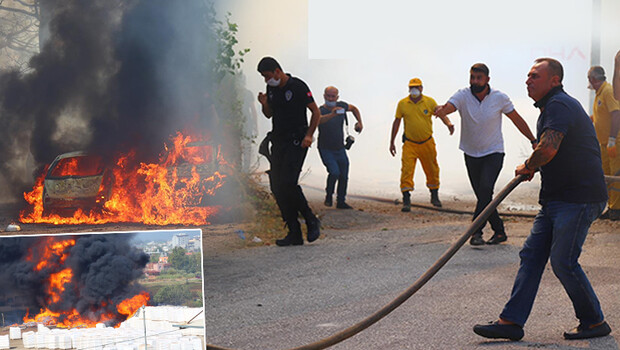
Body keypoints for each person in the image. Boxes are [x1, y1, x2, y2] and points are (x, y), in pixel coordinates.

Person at [473, 58, 610, 341]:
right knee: (532, 255)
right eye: (527, 76)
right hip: (556, 200)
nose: (528, 80)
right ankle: (511, 322)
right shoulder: (549, 109)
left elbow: (548, 148)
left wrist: (530, 165)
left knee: (563, 261)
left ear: (555, 80)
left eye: (535, 76)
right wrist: (537, 164)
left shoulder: (559, 105)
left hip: (579, 198)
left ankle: (594, 322)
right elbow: (550, 150)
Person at [435, 63, 536, 246]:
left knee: (484, 190)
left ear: (487, 80)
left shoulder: (499, 98)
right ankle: (499, 231)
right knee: (484, 196)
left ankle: (475, 232)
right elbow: (450, 106)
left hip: (493, 152)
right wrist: (442, 111)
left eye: (478, 78)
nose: (474, 81)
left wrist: (533, 140)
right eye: (472, 77)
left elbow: (516, 119)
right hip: (471, 153)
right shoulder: (463, 95)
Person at [256, 57, 321, 247]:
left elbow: (316, 113)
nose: (266, 80)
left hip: (297, 141)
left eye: (267, 76)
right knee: (277, 186)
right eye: (263, 77)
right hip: (278, 141)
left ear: (277, 71)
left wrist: (309, 135)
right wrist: (264, 103)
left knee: (288, 183)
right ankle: (293, 231)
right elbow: (269, 114)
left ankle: (310, 220)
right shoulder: (271, 89)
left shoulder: (298, 86)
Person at [389, 78, 454, 212]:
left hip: (427, 142)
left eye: (417, 87)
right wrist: (392, 142)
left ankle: (434, 196)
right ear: (408, 89)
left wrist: (448, 124)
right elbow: (397, 122)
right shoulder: (402, 104)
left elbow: (440, 113)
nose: (414, 90)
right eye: (412, 87)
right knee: (407, 170)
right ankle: (406, 200)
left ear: (421, 88)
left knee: (432, 169)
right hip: (410, 143)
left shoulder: (429, 102)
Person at [318, 86, 363, 209]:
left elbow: (354, 109)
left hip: (340, 148)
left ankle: (341, 201)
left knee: (344, 174)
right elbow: (318, 121)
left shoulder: (342, 106)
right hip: (325, 148)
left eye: (333, 96)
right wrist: (332, 115)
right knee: (334, 172)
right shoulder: (320, 110)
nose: (331, 99)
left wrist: (359, 122)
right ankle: (329, 195)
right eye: (328, 96)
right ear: (324, 96)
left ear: (337, 97)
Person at [587, 66, 620, 221]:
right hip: (604, 142)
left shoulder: (608, 91)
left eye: (589, 79)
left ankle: (617, 209)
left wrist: (613, 139)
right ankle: (612, 206)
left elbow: (616, 114)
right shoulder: (599, 93)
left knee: (615, 175)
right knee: (606, 174)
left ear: (593, 79)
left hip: (614, 142)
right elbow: (601, 113)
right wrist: (588, 120)